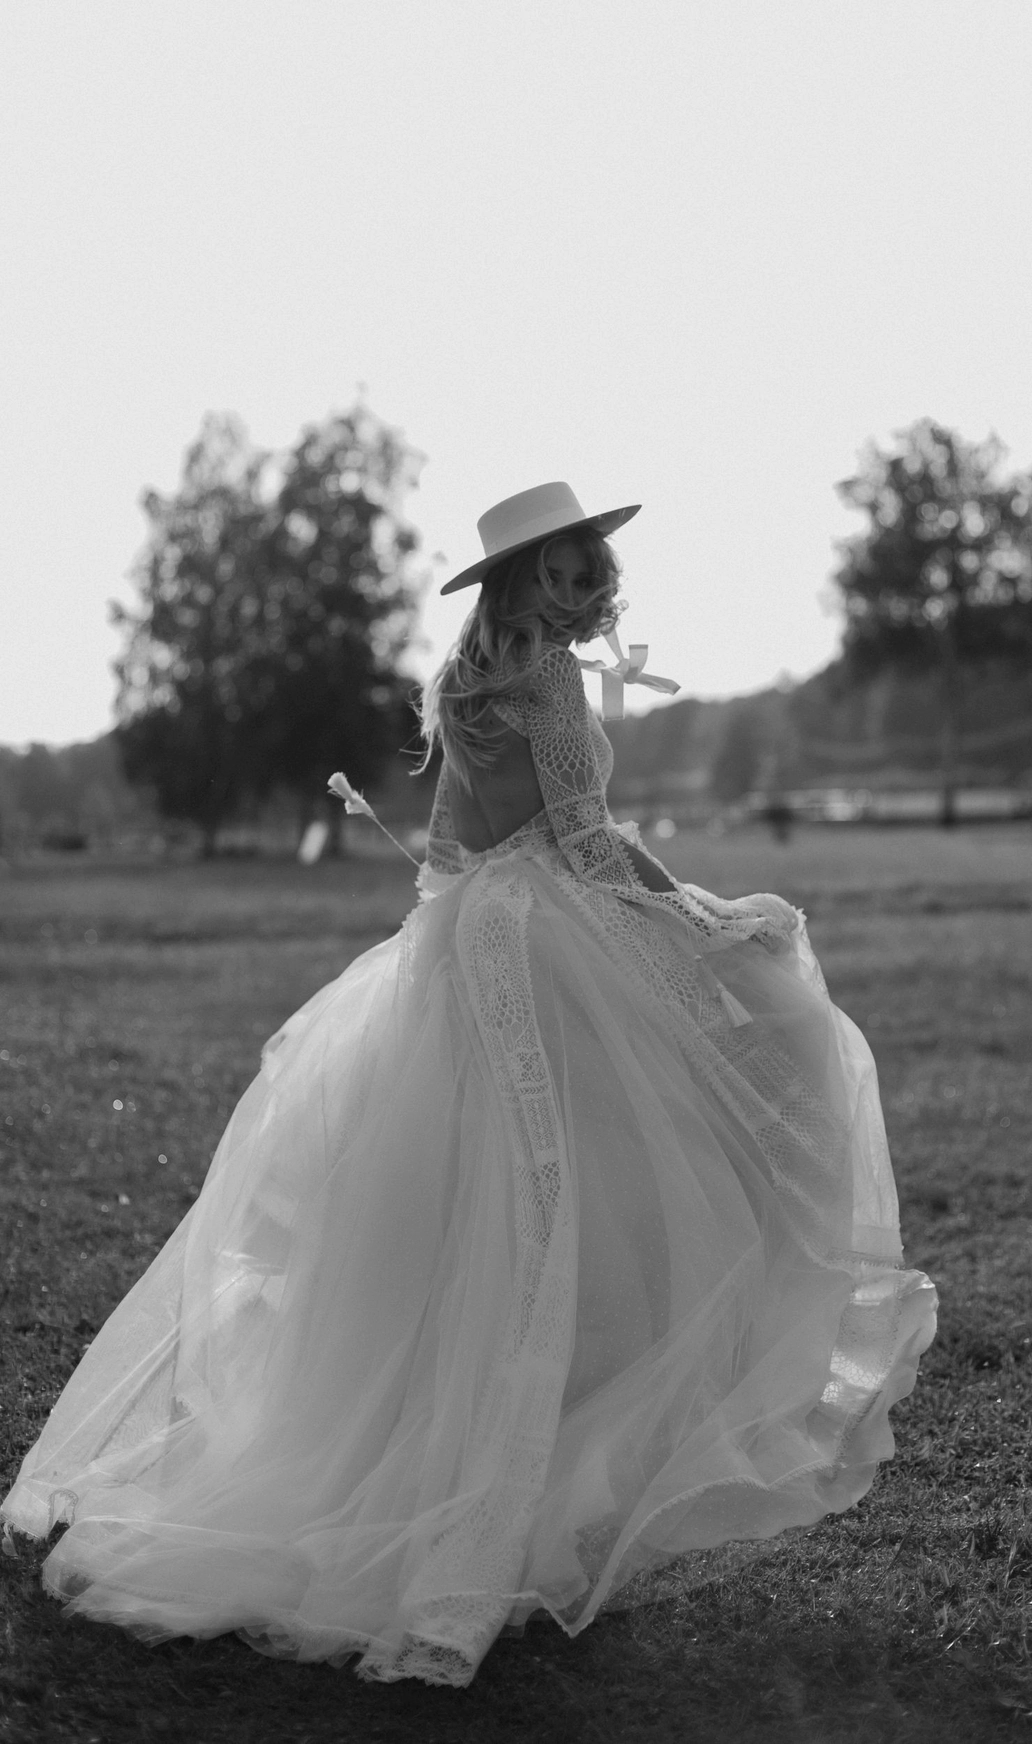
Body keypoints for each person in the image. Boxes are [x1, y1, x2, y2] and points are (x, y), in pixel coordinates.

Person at [0, 482, 936, 1688]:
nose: (584, 587)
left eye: (589, 568)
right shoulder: (547, 680)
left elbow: (446, 854)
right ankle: (523, 1474)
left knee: (476, 1208)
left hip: (464, 941)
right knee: (589, 1184)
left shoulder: (462, 681)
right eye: (566, 569)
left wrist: (453, 943)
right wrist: (698, 919)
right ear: (526, 578)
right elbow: (587, 840)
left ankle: (471, 1467)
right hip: (545, 943)